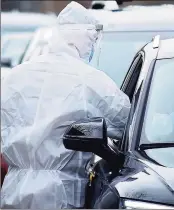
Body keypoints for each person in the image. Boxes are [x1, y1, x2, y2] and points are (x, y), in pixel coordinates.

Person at [1, 1, 130, 209]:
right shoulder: (90, 80)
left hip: (14, 192)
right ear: (85, 41)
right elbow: (126, 124)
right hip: (61, 195)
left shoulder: (15, 76)